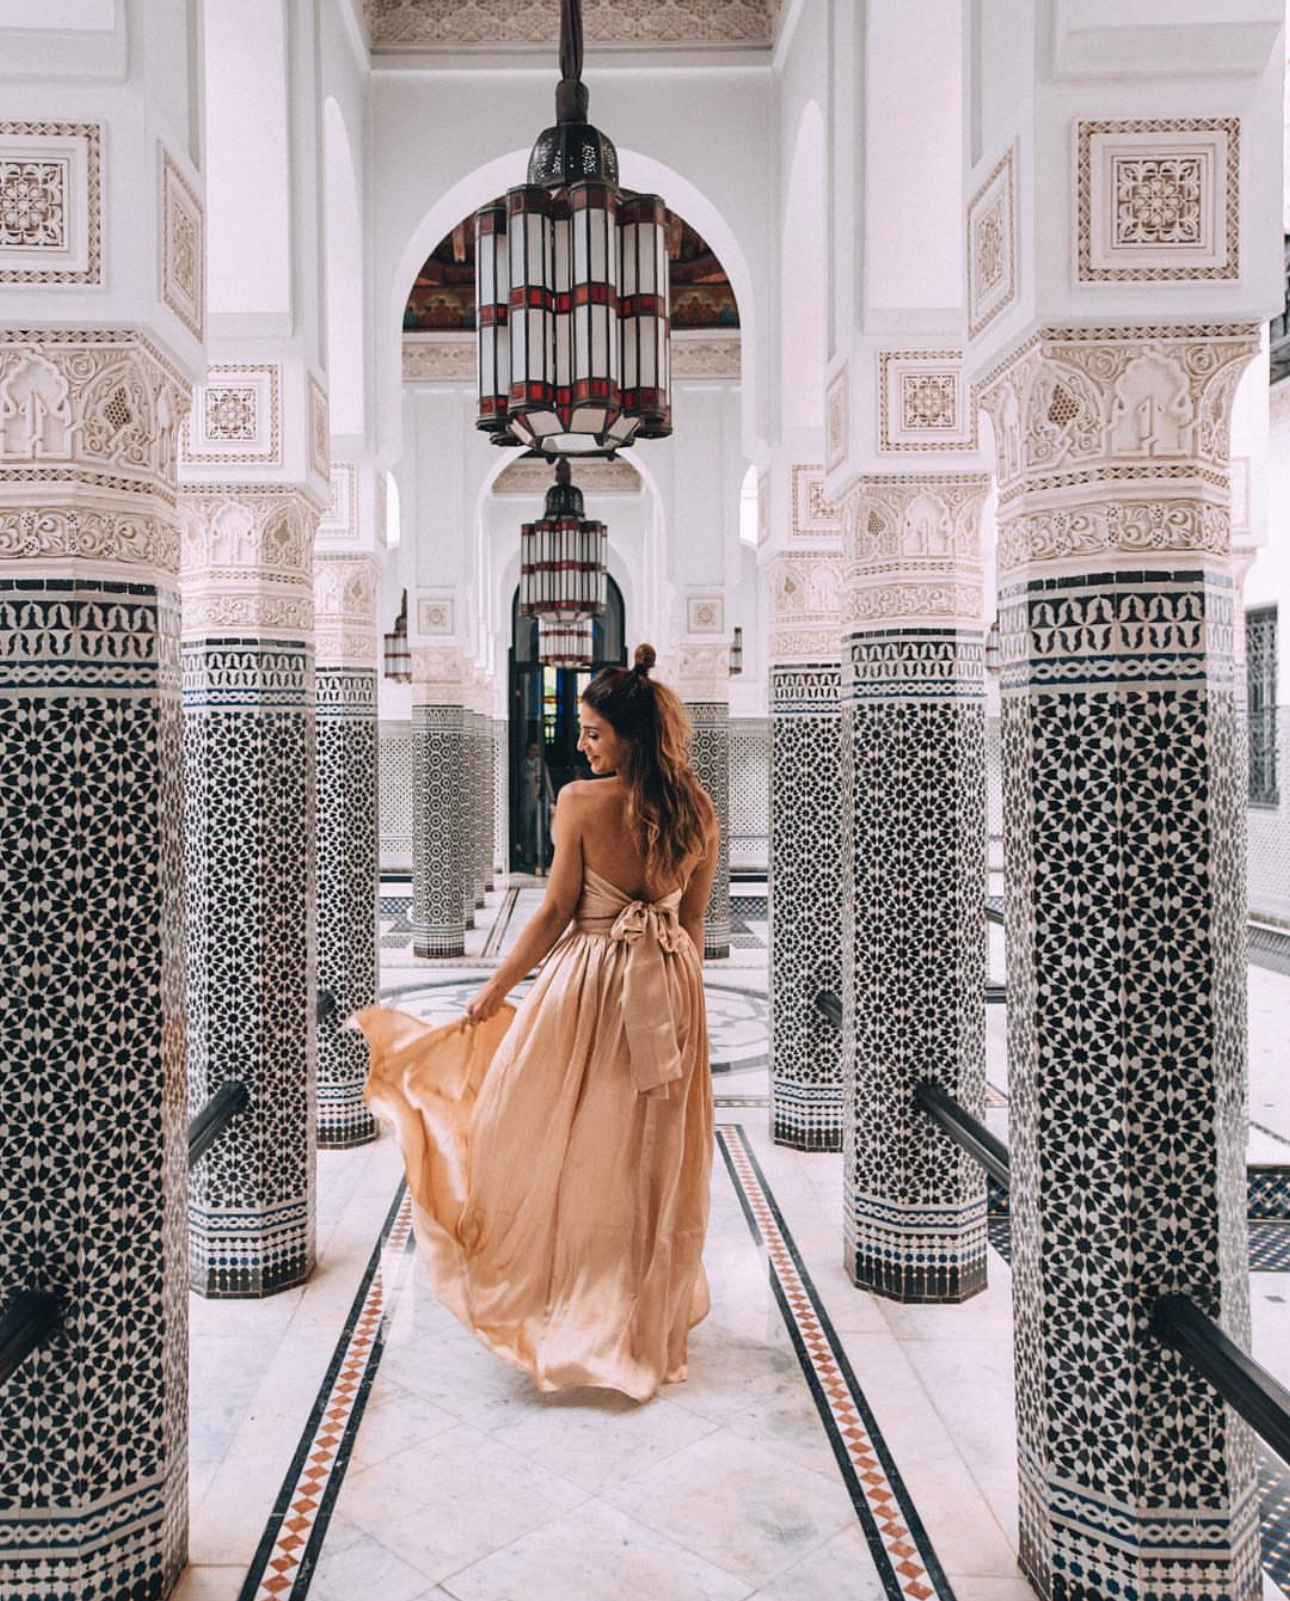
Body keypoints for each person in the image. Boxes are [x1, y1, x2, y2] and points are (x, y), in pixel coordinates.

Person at [351, 643, 719, 1402]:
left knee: (561, 1131)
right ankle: (635, 1307)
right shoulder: (699, 806)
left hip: (591, 987)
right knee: (646, 1150)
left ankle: (570, 1296)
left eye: (591, 732)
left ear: (630, 736)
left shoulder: (581, 804)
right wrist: (683, 1009)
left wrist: (494, 989)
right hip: (672, 985)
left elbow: (554, 912)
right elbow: (694, 922)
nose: (580, 745)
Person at [517, 736, 555, 873]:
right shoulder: (522, 765)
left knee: (540, 828)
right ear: (527, 750)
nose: (535, 753)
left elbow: (548, 782)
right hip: (526, 801)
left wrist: (552, 800)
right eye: (532, 750)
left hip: (540, 800)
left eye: (537, 750)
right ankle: (528, 855)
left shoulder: (541, 764)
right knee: (527, 828)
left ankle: (541, 854)